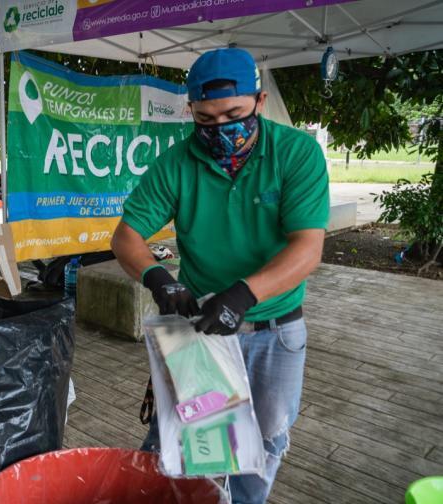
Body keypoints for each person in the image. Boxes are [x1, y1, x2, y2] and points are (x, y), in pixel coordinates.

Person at [111, 48, 329, 503]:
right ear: (191, 111)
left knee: (264, 441)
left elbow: (308, 247)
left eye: (234, 114)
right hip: (200, 331)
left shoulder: (296, 154)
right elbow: (126, 237)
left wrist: (245, 294)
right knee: (187, 437)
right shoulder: (176, 163)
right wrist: (159, 279)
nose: (220, 128)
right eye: (206, 119)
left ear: (260, 101)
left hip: (276, 329)